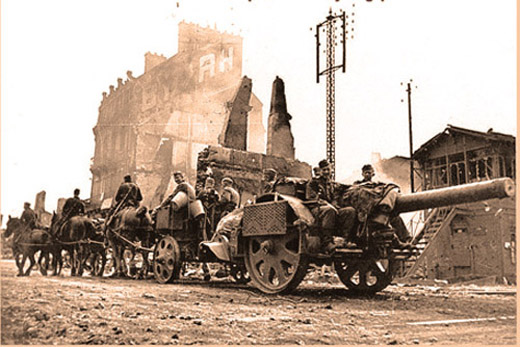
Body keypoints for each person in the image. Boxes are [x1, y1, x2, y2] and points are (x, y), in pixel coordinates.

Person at [307, 160, 338, 254]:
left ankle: (343, 239)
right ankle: (327, 242)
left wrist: (335, 204)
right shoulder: (313, 183)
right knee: (330, 211)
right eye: (324, 170)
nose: (326, 172)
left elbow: (335, 197)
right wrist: (328, 204)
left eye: (328, 169)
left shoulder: (332, 184)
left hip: (330, 208)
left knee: (350, 211)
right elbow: (311, 198)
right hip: (316, 208)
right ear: (320, 171)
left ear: (331, 170)